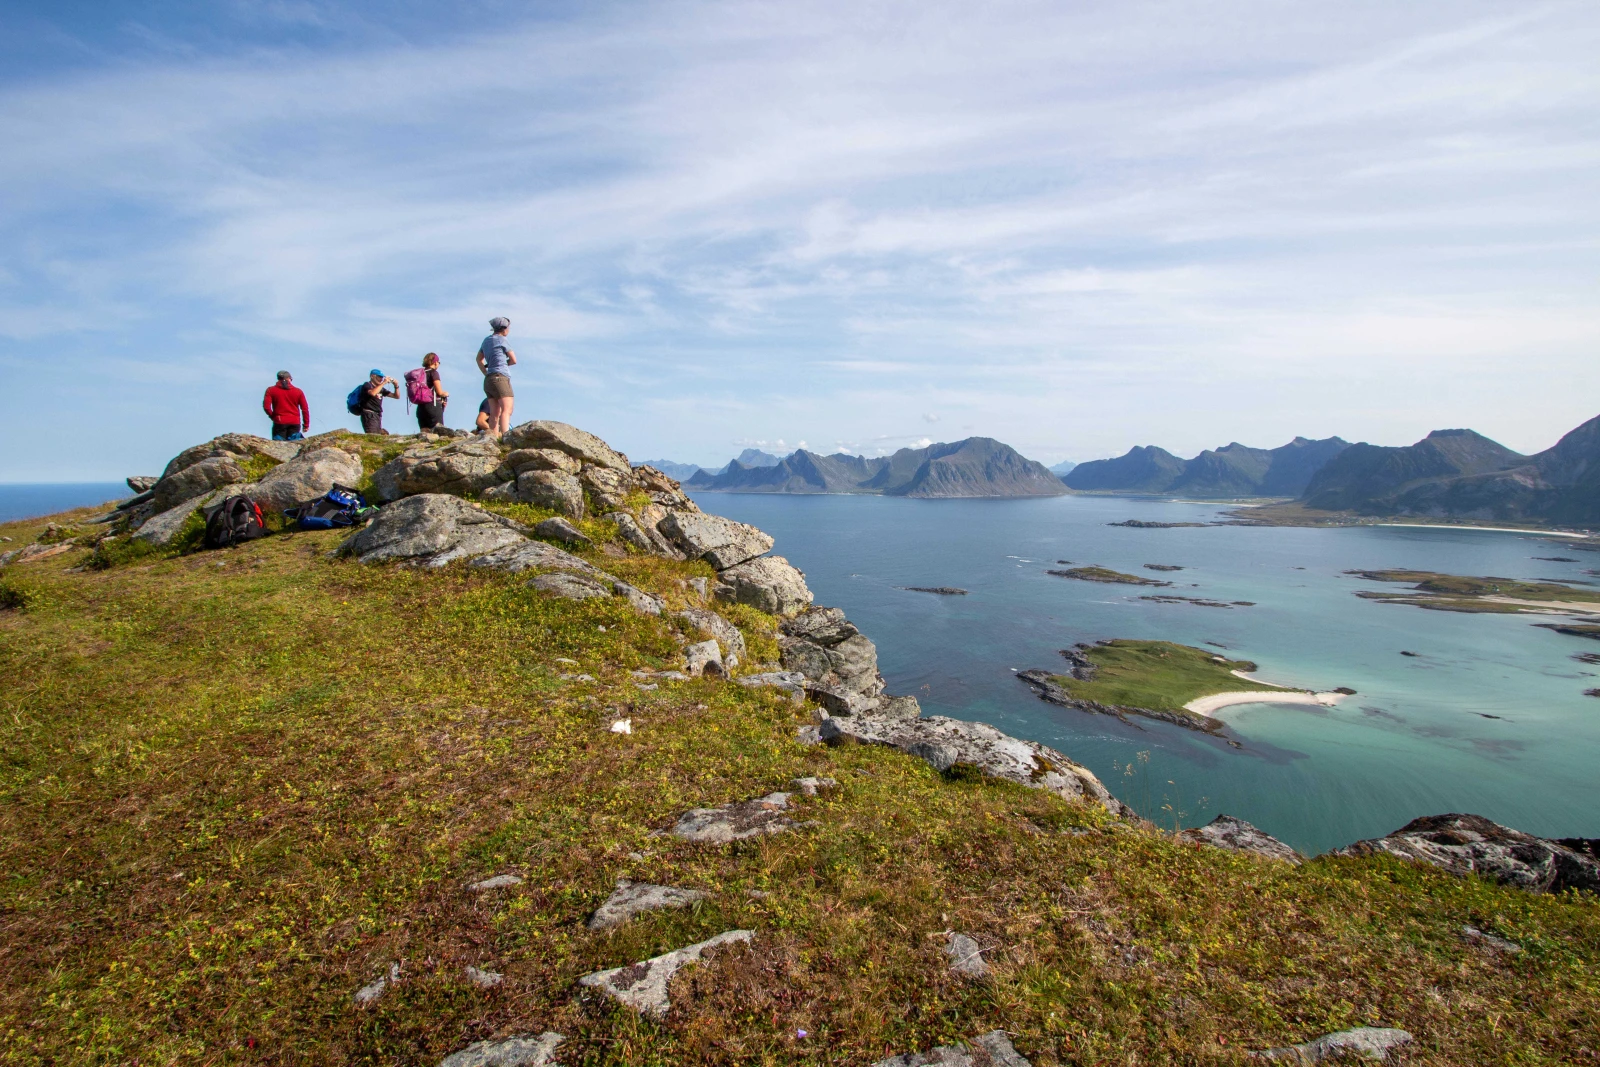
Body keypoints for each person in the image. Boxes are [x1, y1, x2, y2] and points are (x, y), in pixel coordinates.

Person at [476, 316, 517, 437]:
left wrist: (486, 372)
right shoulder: (502, 340)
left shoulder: (486, 340)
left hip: (489, 379)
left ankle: (493, 437)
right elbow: (514, 360)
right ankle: (505, 436)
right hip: (501, 377)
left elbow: (478, 359)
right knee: (507, 409)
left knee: (494, 412)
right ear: (504, 328)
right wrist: (505, 363)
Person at [262, 370, 309, 440]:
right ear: (289, 379)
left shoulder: (271, 390)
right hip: (295, 421)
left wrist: (273, 417)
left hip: (280, 421)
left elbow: (266, 407)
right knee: (294, 445)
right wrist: (306, 425)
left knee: (278, 445)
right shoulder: (298, 391)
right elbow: (305, 409)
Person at [412, 353, 450, 431]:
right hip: (432, 406)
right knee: (438, 432)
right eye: (439, 362)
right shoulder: (434, 373)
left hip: (421, 407)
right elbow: (439, 392)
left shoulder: (420, 373)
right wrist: (446, 394)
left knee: (424, 433)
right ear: (435, 362)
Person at [359, 369, 399, 435]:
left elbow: (396, 396)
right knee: (373, 435)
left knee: (377, 434)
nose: (381, 379)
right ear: (372, 376)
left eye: (382, 377)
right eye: (379, 377)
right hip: (369, 414)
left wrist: (396, 386)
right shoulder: (367, 385)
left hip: (377, 415)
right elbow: (373, 393)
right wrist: (383, 383)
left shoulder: (381, 389)